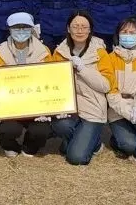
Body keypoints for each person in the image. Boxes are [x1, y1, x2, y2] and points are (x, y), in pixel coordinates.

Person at [0, 12, 53, 157]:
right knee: (8, 129)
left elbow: (50, 80)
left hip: (35, 105)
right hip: (9, 106)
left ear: (31, 29)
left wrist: (47, 108)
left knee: (42, 130)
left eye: (25, 27)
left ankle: (30, 146)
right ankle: (9, 144)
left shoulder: (44, 52)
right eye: (16, 27)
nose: (21, 31)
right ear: (9, 29)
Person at [48, 11, 110, 165]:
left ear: (90, 30)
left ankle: (93, 143)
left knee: (76, 158)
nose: (80, 31)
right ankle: (86, 141)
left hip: (92, 108)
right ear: (68, 29)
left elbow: (106, 85)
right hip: (69, 108)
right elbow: (53, 81)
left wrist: (83, 69)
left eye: (84, 27)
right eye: (75, 26)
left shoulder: (100, 53)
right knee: (59, 125)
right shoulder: (59, 52)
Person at [101, 17, 136, 165]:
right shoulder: (110, 58)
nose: (128, 35)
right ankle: (118, 140)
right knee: (129, 146)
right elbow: (111, 92)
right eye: (124, 32)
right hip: (118, 109)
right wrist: (128, 113)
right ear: (118, 35)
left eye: (132, 32)